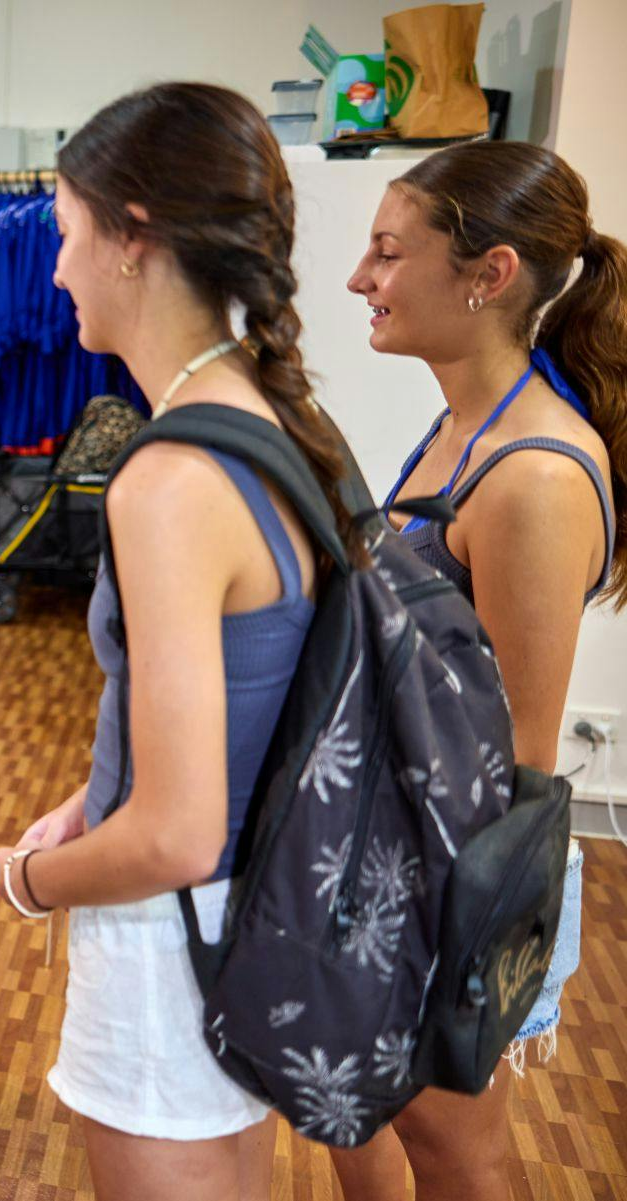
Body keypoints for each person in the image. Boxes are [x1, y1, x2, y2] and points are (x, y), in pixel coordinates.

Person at [0, 82, 359, 1200]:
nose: (53, 270)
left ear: (133, 236)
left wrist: (35, 881)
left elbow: (180, 832)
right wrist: (100, 795)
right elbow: (248, 698)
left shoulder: (168, 479)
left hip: (174, 938)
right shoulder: (277, 417)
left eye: (65, 235)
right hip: (259, 911)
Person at [332, 141, 624, 1201]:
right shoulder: (462, 428)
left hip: (457, 874)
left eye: (386, 251)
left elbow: (518, 761)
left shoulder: (534, 476)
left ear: (487, 274)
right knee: (352, 1107)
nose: (359, 278)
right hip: (389, 850)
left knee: (460, 1153)